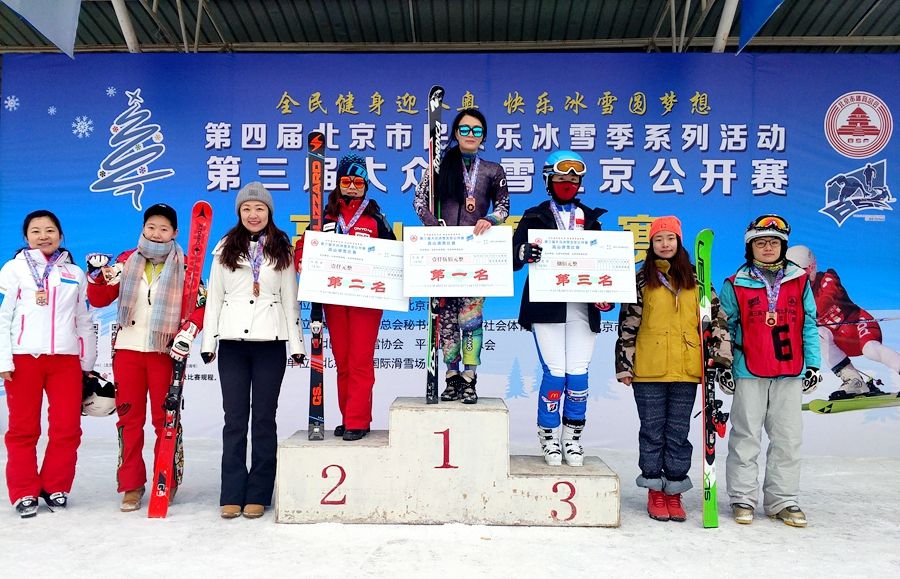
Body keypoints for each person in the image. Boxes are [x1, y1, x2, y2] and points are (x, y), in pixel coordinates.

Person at [86, 203, 205, 512]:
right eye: (151, 227)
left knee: (165, 419)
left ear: (175, 232)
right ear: (142, 228)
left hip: (165, 353)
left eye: (163, 228)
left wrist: (188, 331)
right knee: (129, 419)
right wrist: (96, 276)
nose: (156, 233)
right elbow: (99, 299)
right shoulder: (125, 261)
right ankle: (131, 484)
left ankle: (167, 478)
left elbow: (201, 305)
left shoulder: (186, 265)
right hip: (128, 351)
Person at [615, 216, 732, 522]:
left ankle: (674, 491)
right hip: (648, 368)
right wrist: (625, 364)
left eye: (670, 238)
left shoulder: (697, 279)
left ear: (679, 242)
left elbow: (717, 319)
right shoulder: (641, 280)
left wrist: (721, 357)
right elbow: (628, 325)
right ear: (651, 244)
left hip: (687, 367)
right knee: (652, 431)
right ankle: (655, 489)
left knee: (678, 432)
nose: (665, 244)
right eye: (658, 239)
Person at [201, 182, 305, 520]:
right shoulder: (223, 249)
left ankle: (259, 492)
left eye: (259, 208)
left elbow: (290, 301)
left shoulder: (281, 249)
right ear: (239, 213)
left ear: (269, 212)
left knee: (263, 419)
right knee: (234, 420)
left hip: (270, 345)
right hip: (232, 344)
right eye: (247, 208)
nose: (253, 214)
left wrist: (296, 345)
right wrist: (208, 343)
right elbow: (214, 299)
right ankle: (232, 492)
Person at [719, 214, 822, 528]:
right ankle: (742, 498)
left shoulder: (799, 281)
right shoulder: (735, 283)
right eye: (761, 242)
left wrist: (813, 364)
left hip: (789, 371)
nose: (767, 248)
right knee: (745, 437)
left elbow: (809, 324)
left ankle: (783, 500)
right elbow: (725, 327)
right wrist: (724, 365)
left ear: (783, 246)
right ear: (750, 247)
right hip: (748, 370)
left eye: (774, 242)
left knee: (787, 439)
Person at [513, 151, 608, 468]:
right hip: (546, 307)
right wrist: (522, 251)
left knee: (578, 375)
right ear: (548, 181)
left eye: (573, 179)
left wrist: (606, 295)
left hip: (582, 307)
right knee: (555, 374)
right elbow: (511, 259)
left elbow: (604, 265)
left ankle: (573, 437)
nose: (567, 183)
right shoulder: (534, 217)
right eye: (560, 178)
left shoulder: (592, 219)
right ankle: (549, 436)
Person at [0, 210, 97, 518]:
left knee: (67, 428)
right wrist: (3, 359)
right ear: (26, 237)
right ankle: (23, 491)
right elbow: (3, 317)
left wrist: (87, 362)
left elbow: (83, 319)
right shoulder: (13, 269)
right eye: (36, 231)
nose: (44, 236)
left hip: (65, 362)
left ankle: (55, 485)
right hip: (23, 359)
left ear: (60, 234)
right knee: (23, 429)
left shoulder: (74, 272)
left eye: (50, 230)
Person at [294, 154, 396, 441]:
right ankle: (348, 415)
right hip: (334, 299)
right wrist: (302, 259)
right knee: (343, 361)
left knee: (360, 360)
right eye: (347, 181)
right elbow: (303, 245)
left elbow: (393, 254)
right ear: (338, 183)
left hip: (366, 302)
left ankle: (357, 420)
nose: (352, 186)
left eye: (358, 182)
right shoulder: (324, 218)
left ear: (366, 186)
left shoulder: (376, 219)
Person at [414, 108, 510, 404]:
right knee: (445, 319)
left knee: (471, 318)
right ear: (456, 133)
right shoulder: (439, 167)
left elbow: (504, 207)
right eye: (465, 129)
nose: (470, 135)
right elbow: (419, 201)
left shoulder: (493, 170)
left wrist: (490, 219)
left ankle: (470, 377)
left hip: (476, 255)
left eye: (476, 130)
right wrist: (434, 225)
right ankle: (451, 376)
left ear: (483, 136)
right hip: (442, 255)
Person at [786, 245, 898, 398]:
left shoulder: (827, 279)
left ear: (812, 268)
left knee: (871, 350)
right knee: (818, 334)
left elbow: (825, 301)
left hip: (859, 325)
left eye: (801, 273)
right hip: (839, 340)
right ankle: (854, 381)